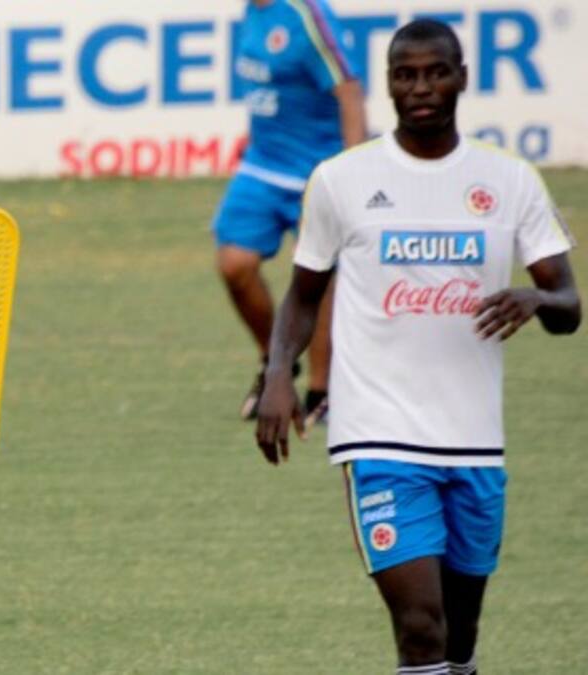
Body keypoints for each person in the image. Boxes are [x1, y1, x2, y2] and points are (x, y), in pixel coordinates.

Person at [256, 20, 580, 675]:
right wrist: (278, 373)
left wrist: (536, 299)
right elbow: (303, 293)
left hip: (474, 440)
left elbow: (569, 305)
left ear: (462, 78)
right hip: (380, 436)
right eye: (406, 75)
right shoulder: (342, 179)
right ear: (390, 85)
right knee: (420, 627)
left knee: (459, 637)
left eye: (436, 73)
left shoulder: (510, 180)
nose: (422, 87)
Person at [218, 0, 366, 423]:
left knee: (318, 276)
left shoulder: (308, 16)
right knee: (234, 265)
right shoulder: (252, 11)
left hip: (315, 168)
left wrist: (352, 174)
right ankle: (275, 364)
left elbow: (349, 91)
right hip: (263, 164)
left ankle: (321, 391)